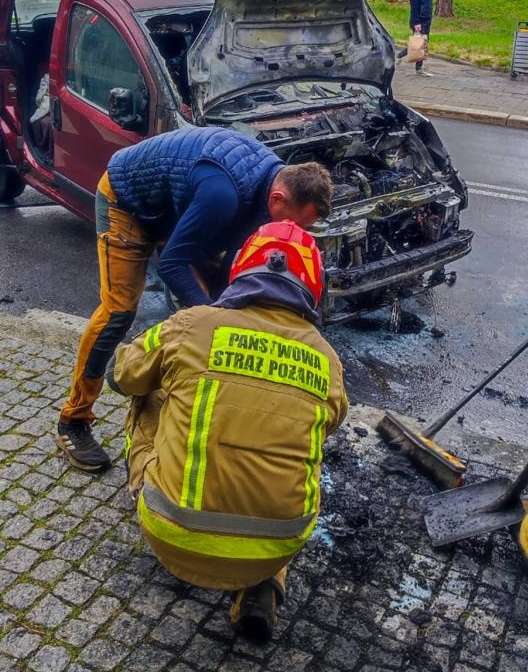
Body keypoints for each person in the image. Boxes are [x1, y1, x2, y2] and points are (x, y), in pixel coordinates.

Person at [106, 220, 348, 640]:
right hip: (276, 546)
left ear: (242, 268)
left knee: (150, 393)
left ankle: (154, 490)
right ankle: (266, 585)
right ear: (312, 286)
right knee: (290, 451)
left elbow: (123, 375)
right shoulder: (327, 361)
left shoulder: (194, 324)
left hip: (173, 530)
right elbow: (328, 426)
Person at [57, 127, 333, 473]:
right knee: (119, 310)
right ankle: (74, 420)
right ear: (278, 198)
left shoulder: (273, 190)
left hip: (177, 209)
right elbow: (172, 263)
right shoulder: (224, 194)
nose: (292, 232)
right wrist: (211, 317)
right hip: (128, 202)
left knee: (216, 300)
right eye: (293, 222)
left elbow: (233, 265)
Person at [397, 0, 438, 76]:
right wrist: (416, 22)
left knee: (420, 43)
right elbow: (414, 6)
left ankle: (399, 56)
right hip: (419, 21)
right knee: (420, 43)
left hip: (426, 20)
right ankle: (418, 68)